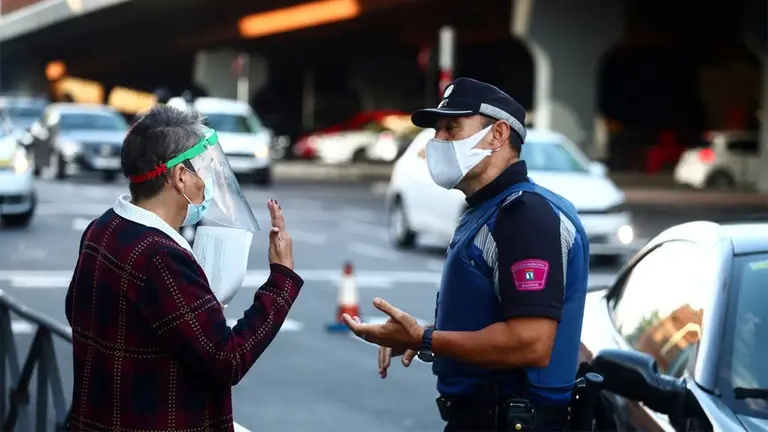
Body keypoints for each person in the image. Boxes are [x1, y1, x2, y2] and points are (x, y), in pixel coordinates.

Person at [344, 77, 590, 431]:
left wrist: (424, 338)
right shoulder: (488, 209)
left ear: (497, 134)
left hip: (514, 420)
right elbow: (492, 321)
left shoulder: (525, 216)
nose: (437, 141)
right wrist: (423, 336)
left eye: (451, 128)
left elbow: (530, 344)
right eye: (437, 131)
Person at [64, 105, 304, 431]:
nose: (207, 182)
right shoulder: (160, 257)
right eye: (204, 170)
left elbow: (86, 314)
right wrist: (281, 279)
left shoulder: (102, 229)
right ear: (179, 176)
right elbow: (227, 360)